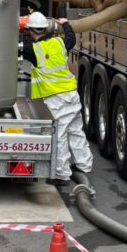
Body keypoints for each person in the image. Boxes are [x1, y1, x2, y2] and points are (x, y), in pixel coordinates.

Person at [22, 11, 93, 187]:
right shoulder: (60, 42)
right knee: (76, 131)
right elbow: (71, 38)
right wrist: (66, 24)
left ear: (30, 30)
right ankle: (84, 165)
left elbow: (19, 45)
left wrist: (21, 27)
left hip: (56, 99)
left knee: (59, 135)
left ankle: (62, 174)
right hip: (71, 94)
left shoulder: (33, 50)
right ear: (47, 28)